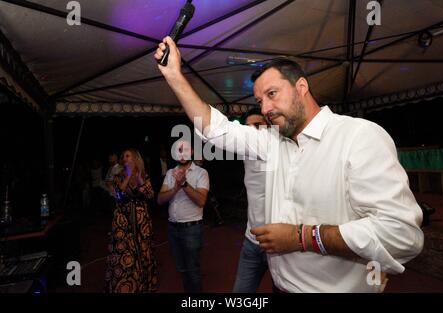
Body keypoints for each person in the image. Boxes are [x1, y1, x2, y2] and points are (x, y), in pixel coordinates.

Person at [154, 37, 424, 292]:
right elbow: (216, 129)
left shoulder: (358, 136)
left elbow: (401, 234)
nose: (266, 108)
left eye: (273, 93)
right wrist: (175, 76)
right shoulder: (271, 142)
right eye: (260, 101)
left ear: (301, 87)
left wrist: (302, 237)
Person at [157, 139, 209, 293]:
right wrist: (175, 188)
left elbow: (201, 201)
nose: (182, 153)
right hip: (173, 228)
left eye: (186, 149)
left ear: (192, 152)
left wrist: (184, 184)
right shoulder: (170, 173)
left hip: (191, 228)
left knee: (192, 269)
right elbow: (160, 199)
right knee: (182, 269)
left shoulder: (201, 173)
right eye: (179, 150)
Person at [105, 148, 157, 293]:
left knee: (143, 252)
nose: (125, 158)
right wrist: (127, 176)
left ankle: (144, 285)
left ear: (135, 158)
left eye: (128, 156)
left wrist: (139, 177)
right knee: (126, 255)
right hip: (124, 222)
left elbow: (150, 195)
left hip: (141, 222)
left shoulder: (143, 175)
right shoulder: (119, 176)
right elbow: (119, 195)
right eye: (123, 156)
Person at [233, 108, 269, 293]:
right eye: (248, 128)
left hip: (277, 244)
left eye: (258, 125)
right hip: (251, 241)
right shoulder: (246, 154)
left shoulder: (280, 152)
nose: (252, 132)